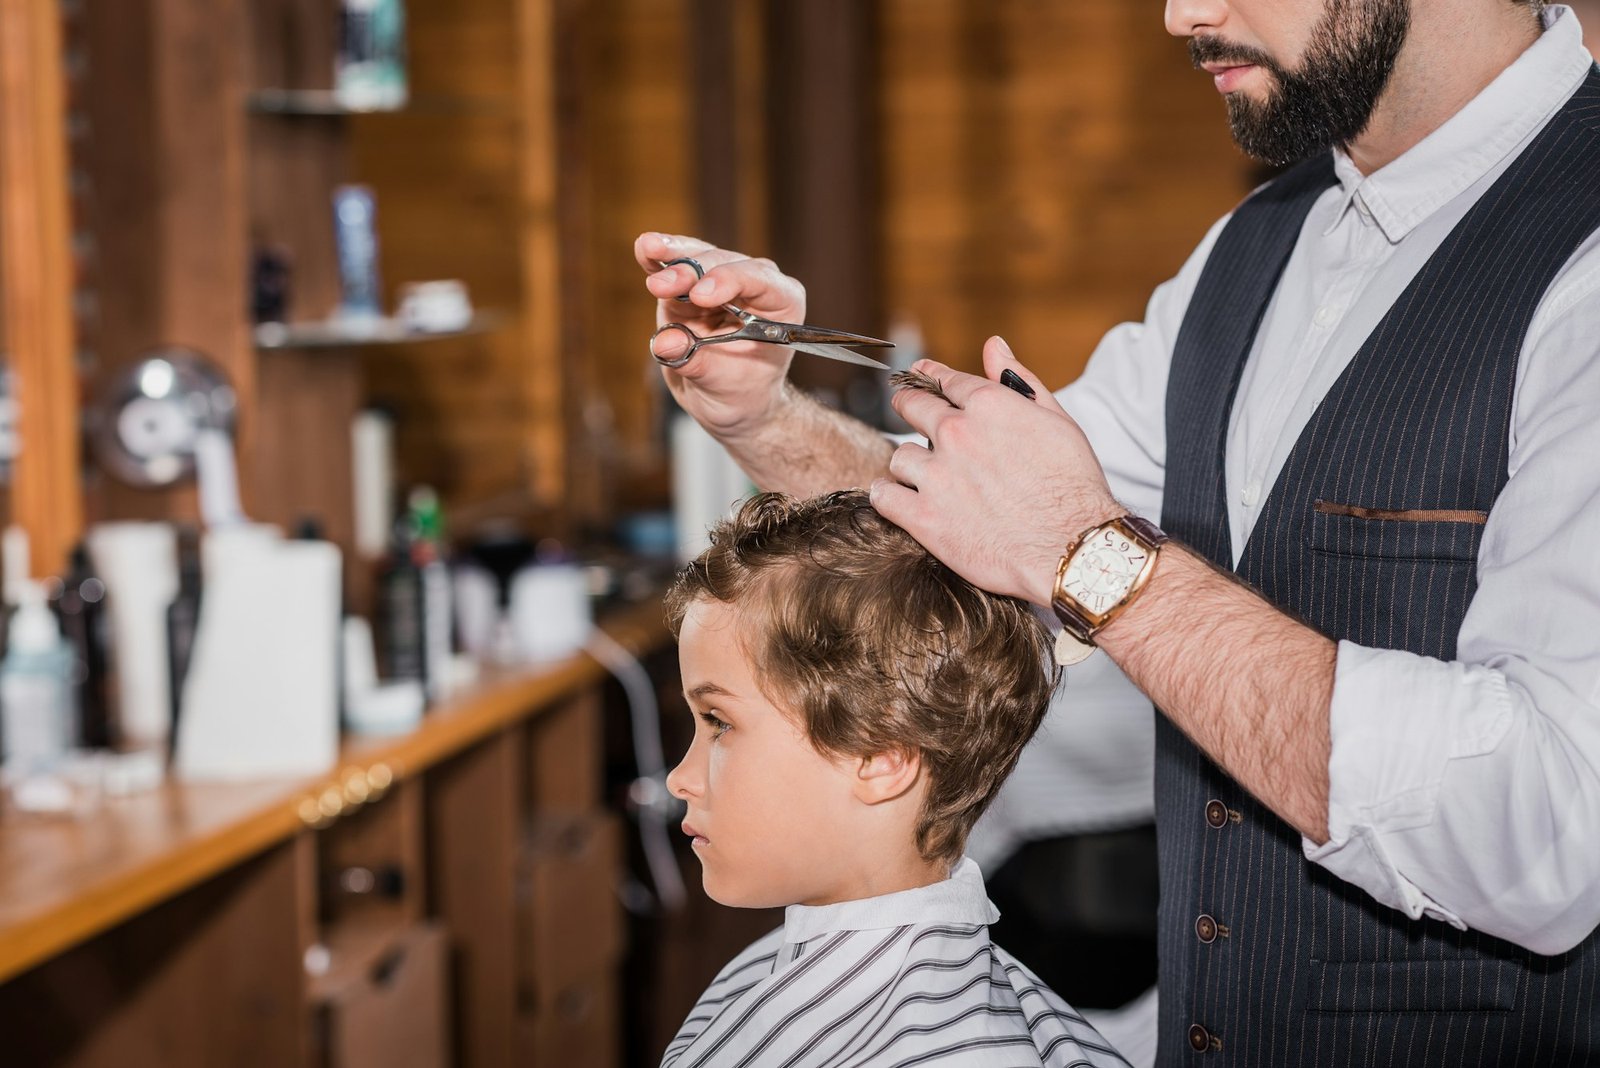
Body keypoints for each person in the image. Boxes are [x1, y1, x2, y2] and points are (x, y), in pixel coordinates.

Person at [637, 0, 1600, 1063]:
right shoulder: (1258, 245)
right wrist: (766, 417)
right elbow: (979, 529)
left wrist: (1092, 560)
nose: (1181, 12)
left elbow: (1550, 829)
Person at [659, 489, 1129, 1067]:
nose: (679, 779)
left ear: (882, 756)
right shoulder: (761, 967)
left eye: (718, 723)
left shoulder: (955, 1053)